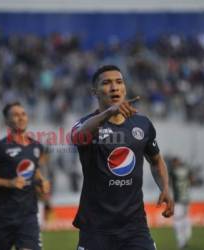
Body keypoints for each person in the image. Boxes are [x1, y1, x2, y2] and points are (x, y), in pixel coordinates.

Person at [71, 65, 174, 250]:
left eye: (119, 82)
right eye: (107, 83)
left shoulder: (142, 124)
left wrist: (165, 187)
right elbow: (77, 137)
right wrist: (109, 112)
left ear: (125, 88)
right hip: (96, 229)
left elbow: (156, 161)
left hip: (134, 228)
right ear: (94, 92)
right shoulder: (86, 125)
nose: (114, 87)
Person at [0, 102, 50, 250]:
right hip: (2, 216)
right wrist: (9, 183)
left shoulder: (37, 146)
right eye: (15, 115)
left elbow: (34, 170)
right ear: (7, 121)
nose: (21, 118)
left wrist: (41, 181)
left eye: (23, 114)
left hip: (28, 215)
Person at [168, 157, 193, 250]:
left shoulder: (173, 172)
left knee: (178, 219)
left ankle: (181, 241)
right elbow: (192, 180)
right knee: (185, 218)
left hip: (178, 199)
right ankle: (186, 237)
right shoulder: (186, 170)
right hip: (186, 198)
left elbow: (168, 182)